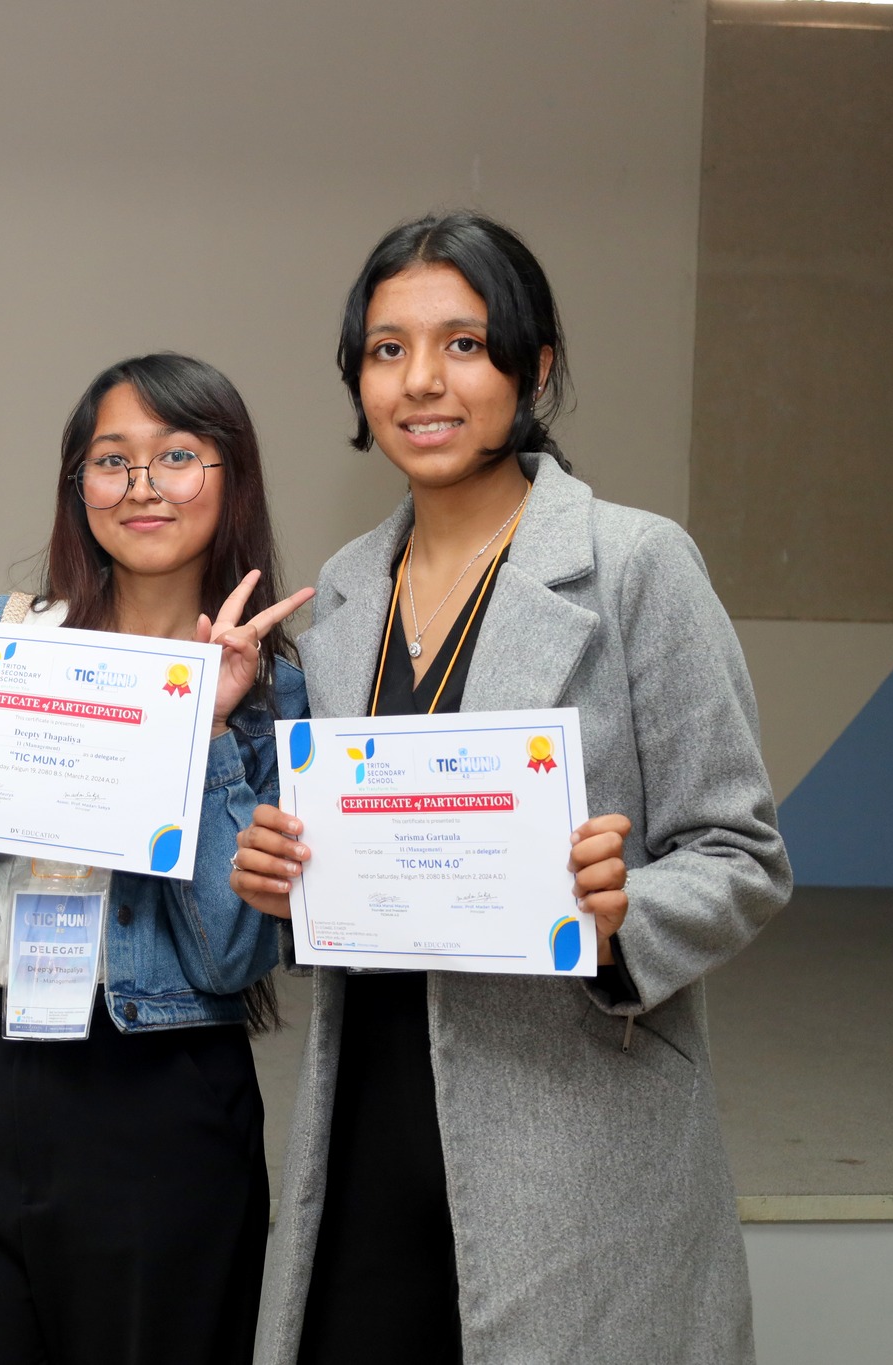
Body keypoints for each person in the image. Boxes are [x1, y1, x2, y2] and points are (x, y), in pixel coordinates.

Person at [231, 211, 793, 1364]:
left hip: (573, 1139)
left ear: (532, 368)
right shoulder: (345, 588)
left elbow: (740, 856)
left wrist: (621, 913)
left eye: (462, 344)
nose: (419, 381)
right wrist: (285, 881)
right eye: (386, 349)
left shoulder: (633, 565)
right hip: (367, 1126)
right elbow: (355, 857)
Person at [0, 353, 310, 1365]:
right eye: (111, 460)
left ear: (230, 477)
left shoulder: (276, 698)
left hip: (160, 1096)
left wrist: (209, 728)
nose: (142, 486)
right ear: (77, 485)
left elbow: (233, 958)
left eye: (176, 456)